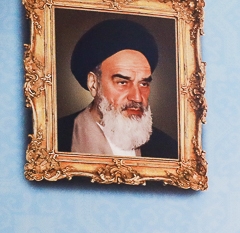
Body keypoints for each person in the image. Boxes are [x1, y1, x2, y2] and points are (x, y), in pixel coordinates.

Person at [57, 18, 179, 159]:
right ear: (93, 84)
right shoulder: (56, 138)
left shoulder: (168, 149)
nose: (137, 97)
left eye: (143, 84)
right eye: (122, 82)